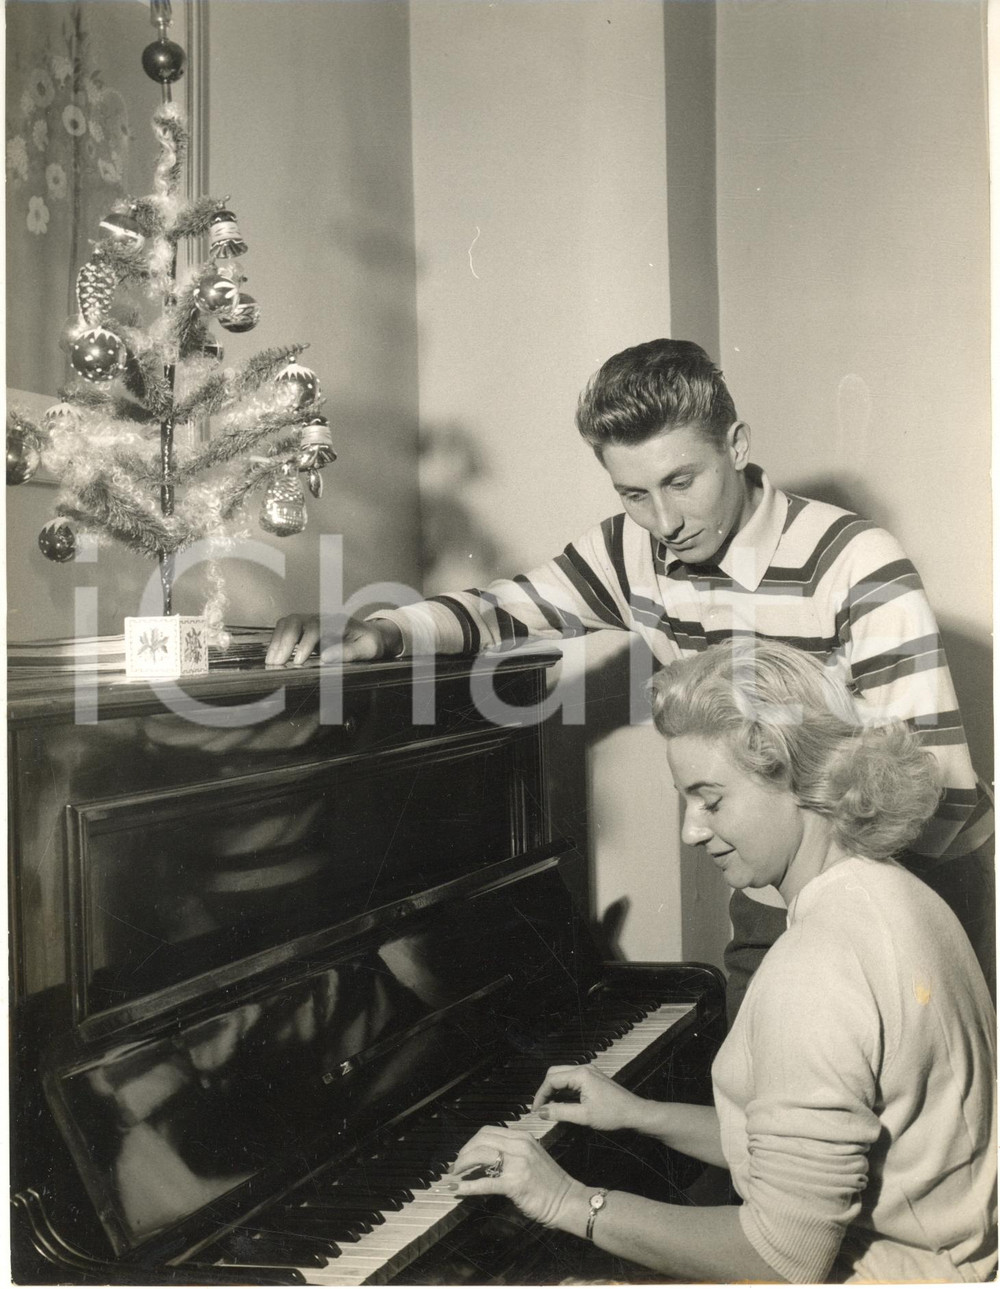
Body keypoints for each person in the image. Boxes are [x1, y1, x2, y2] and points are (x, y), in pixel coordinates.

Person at [266, 338, 994, 1014]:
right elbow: (503, 610)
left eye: (681, 481)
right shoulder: (630, 553)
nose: (665, 521)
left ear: (737, 445)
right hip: (775, 888)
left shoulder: (857, 561)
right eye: (634, 494)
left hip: (915, 883)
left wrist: (839, 932)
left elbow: (933, 794)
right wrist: (382, 632)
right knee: (748, 1087)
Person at [445, 641, 998, 1284]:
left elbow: (782, 1259)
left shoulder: (816, 967)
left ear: (797, 779)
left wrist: (565, 1200)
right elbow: (818, 1156)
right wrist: (642, 1115)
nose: (691, 830)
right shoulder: (895, 892)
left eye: (711, 799)